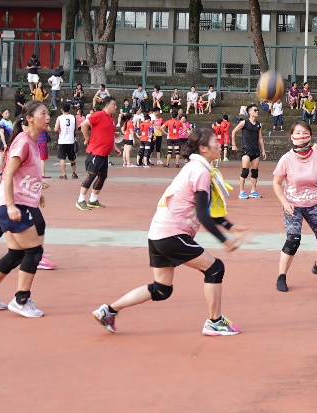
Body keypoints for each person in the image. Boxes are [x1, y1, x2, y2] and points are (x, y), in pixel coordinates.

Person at [92, 126, 245, 336]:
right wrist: (224, 239)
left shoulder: (195, 167)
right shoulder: (200, 171)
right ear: (203, 148)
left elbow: (206, 210)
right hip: (172, 234)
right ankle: (215, 322)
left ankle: (109, 311)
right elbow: (202, 214)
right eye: (215, 142)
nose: (219, 144)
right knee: (215, 268)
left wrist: (230, 227)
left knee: (162, 289)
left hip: (158, 234)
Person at [0, 101, 52, 318]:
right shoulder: (23, 142)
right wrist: (10, 205)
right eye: (43, 113)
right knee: (34, 251)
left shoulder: (31, 142)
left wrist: (37, 192)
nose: (48, 117)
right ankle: (21, 300)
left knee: (17, 253)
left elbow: (23, 175)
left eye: (48, 113)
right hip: (11, 204)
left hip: (18, 203)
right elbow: (8, 174)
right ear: (29, 118)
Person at [272, 121, 317, 292]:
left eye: (305, 132)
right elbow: (276, 183)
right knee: (293, 240)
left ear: (310, 135)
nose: (301, 136)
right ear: (292, 136)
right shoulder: (286, 159)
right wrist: (284, 202)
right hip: (293, 205)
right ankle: (281, 276)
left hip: (314, 204)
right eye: (297, 133)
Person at [78, 97, 118, 210]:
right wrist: (87, 138)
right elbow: (84, 125)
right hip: (95, 152)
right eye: (114, 104)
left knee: (102, 176)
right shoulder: (99, 115)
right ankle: (80, 200)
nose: (115, 107)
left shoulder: (112, 119)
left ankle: (93, 200)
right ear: (106, 105)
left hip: (104, 154)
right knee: (92, 175)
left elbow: (110, 135)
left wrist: (114, 147)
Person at [230, 104, 266, 199]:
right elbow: (233, 132)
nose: (257, 111)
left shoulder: (259, 124)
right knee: (245, 171)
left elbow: (260, 138)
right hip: (246, 150)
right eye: (255, 110)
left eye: (257, 110)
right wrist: (234, 145)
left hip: (255, 150)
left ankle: (253, 191)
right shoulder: (244, 123)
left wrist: (263, 151)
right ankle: (241, 192)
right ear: (249, 112)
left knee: (255, 172)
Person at [55, 105, 78, 180]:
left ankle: (64, 174)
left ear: (62, 109)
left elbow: (56, 129)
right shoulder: (73, 117)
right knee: (72, 159)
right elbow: (76, 127)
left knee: (62, 158)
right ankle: (73, 173)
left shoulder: (59, 118)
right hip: (71, 140)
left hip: (62, 140)